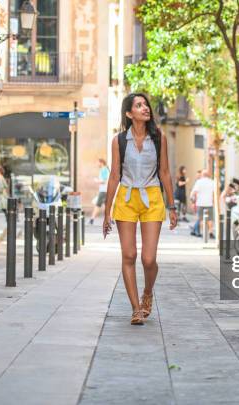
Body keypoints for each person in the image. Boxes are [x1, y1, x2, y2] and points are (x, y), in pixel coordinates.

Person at [103, 93, 177, 325]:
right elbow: (115, 175)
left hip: (152, 197)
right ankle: (136, 309)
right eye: (139, 105)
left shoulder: (158, 138)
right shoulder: (119, 141)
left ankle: (147, 292)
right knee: (129, 255)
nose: (145, 108)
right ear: (129, 113)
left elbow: (164, 172)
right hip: (126, 198)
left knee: (148, 258)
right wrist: (107, 212)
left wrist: (172, 206)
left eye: (145, 104)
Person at [190, 170, 215, 239]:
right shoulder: (212, 182)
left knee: (201, 219)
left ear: (202, 175)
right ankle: (210, 232)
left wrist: (192, 201)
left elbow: (194, 192)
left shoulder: (199, 182)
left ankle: (204, 232)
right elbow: (214, 193)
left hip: (200, 203)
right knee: (210, 219)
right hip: (209, 203)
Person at [90, 158, 110, 225]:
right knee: (107, 205)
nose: (97, 164)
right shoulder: (105, 169)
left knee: (97, 205)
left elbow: (105, 181)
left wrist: (97, 181)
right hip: (105, 190)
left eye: (98, 163)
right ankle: (110, 220)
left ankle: (92, 219)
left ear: (101, 163)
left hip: (103, 191)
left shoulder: (104, 170)